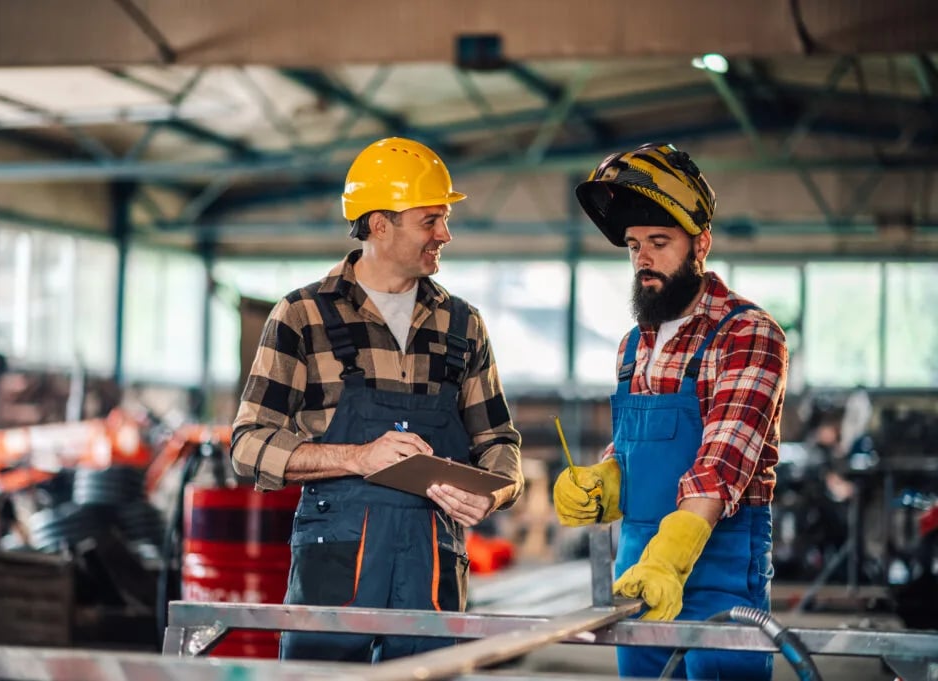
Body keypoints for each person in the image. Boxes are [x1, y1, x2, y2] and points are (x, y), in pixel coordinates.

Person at [231, 137, 524, 663]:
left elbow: (499, 441)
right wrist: (356, 457)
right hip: (335, 566)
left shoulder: (464, 325)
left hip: (432, 568)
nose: (445, 234)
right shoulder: (303, 316)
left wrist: (496, 493)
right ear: (379, 224)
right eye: (430, 221)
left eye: (444, 220)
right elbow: (248, 447)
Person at [553, 143, 788, 680]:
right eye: (635, 245)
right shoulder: (635, 343)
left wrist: (671, 557)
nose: (643, 259)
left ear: (701, 243)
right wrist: (606, 480)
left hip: (718, 570)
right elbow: (632, 446)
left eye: (659, 243)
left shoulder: (747, 333)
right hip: (640, 571)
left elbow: (723, 462)